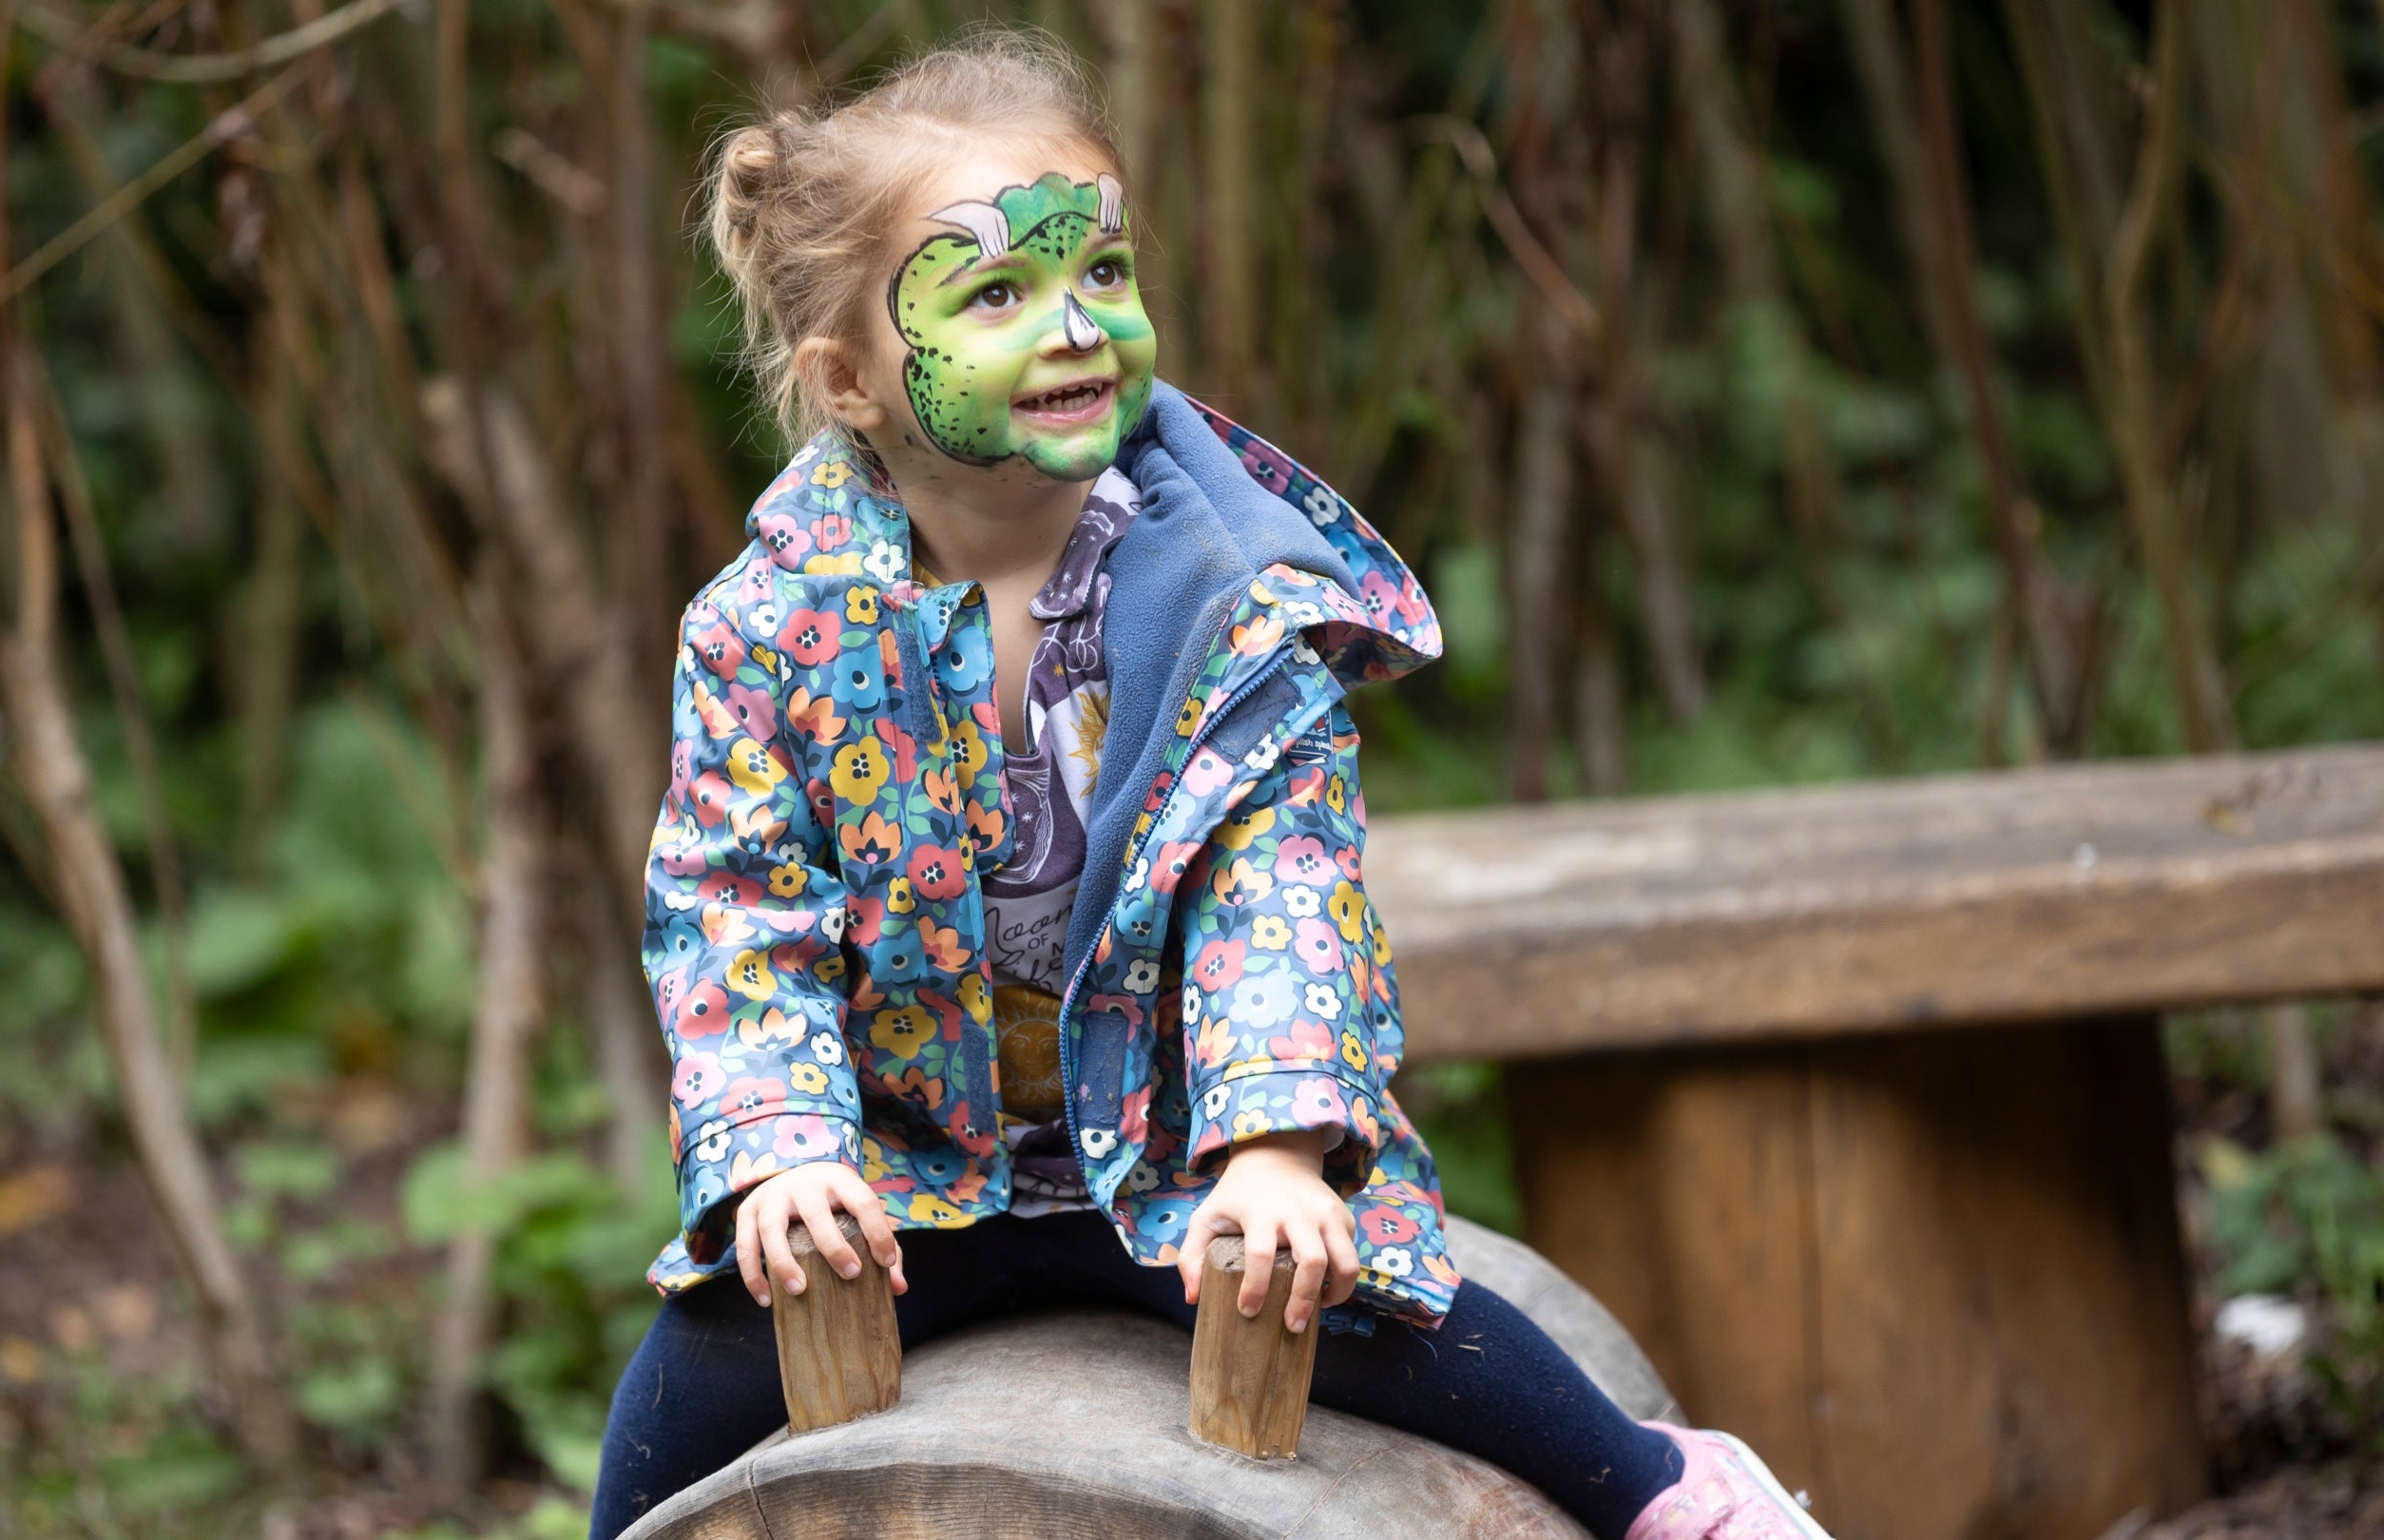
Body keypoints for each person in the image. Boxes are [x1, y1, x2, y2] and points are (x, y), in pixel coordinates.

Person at [595, 29, 1831, 1540]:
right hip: (907, 1178)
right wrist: (784, 1148)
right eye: (995, 294)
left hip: (1179, 1161)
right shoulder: (762, 632)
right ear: (847, 378)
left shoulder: (1226, 601)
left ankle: (1674, 1496)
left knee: (1429, 1332)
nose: (1073, 328)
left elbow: (1281, 881)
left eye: (1101, 275)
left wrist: (1275, 1144)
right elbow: (733, 904)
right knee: (667, 1411)